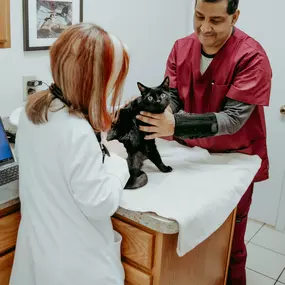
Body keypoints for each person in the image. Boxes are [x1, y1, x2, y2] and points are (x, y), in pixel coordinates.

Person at [136, 0, 272, 284]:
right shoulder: (180, 48)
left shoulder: (252, 57)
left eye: (216, 20)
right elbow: (173, 96)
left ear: (235, 16)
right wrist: (157, 112)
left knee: (230, 244)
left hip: (233, 160)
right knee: (190, 239)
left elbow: (233, 119)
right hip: (190, 156)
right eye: (199, 16)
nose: (205, 28)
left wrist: (176, 124)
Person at [10, 23, 130, 285]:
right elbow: (99, 204)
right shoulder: (77, 131)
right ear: (95, 81)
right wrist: (118, 167)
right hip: (76, 267)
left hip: (38, 257)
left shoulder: (31, 113)